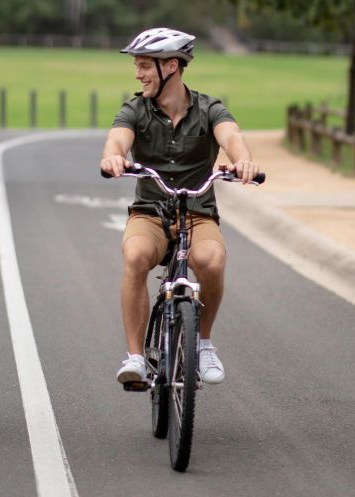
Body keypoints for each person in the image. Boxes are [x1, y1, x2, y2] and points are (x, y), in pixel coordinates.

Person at [99, 28, 260, 386]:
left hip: (197, 212)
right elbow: (117, 138)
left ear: (171, 65)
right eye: (137, 66)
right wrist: (113, 157)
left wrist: (243, 161)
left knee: (211, 261)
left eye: (144, 66)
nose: (138, 74)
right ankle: (136, 357)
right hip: (150, 212)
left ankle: (203, 344)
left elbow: (231, 136)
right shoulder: (135, 108)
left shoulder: (209, 108)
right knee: (136, 255)